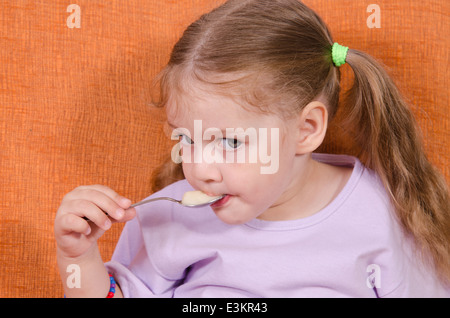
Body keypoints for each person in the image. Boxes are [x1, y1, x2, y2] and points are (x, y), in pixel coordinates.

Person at [54, 0, 450, 297]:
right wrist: (79, 258)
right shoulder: (167, 217)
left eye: (229, 142)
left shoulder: (382, 214)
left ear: (306, 130)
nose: (199, 169)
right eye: (185, 139)